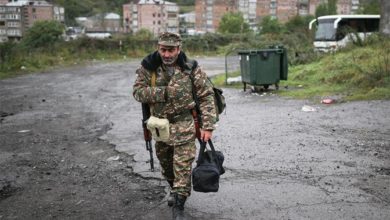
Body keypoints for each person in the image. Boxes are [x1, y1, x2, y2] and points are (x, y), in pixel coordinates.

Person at [133, 32, 217, 219]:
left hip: (184, 125)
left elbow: (206, 96)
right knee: (167, 168)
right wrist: (165, 93)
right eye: (163, 50)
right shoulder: (149, 67)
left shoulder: (191, 68)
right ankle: (174, 189)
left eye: (171, 50)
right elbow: (138, 92)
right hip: (160, 127)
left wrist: (208, 126)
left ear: (178, 49)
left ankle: (179, 206)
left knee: (182, 168)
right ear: (158, 48)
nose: (167, 54)